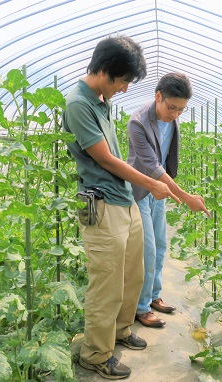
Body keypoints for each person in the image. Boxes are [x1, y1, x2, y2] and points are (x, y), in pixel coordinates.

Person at [62, 36, 179, 380]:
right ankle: (96, 354)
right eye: (125, 81)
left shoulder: (100, 100)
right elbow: (106, 159)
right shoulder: (78, 104)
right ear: (107, 72)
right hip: (102, 204)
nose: (126, 89)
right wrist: (153, 183)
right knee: (107, 284)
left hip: (124, 200)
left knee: (133, 273)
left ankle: (121, 330)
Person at [127, 72, 211, 328]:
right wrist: (186, 198)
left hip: (159, 191)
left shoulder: (172, 120)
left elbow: (165, 161)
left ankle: (153, 296)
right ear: (158, 96)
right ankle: (140, 309)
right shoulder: (138, 122)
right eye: (171, 107)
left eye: (181, 110)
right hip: (141, 189)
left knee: (161, 245)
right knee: (147, 251)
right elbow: (152, 166)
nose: (175, 114)